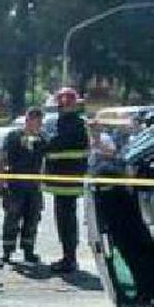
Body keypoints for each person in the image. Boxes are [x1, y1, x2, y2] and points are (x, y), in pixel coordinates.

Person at [43, 87, 89, 274]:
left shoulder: (70, 124)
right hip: (68, 179)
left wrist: (44, 145)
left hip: (65, 180)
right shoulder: (75, 123)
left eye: (60, 106)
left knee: (65, 221)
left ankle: (69, 259)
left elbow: (59, 145)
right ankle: (69, 257)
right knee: (67, 219)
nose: (59, 109)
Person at [0, 106, 45, 264]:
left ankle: (28, 251)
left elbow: (45, 161)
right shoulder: (14, 136)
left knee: (32, 219)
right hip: (15, 186)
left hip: (33, 186)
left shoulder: (42, 139)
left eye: (39, 121)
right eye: (33, 120)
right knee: (12, 218)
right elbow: (2, 158)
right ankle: (7, 252)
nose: (36, 124)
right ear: (27, 120)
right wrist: (0, 181)